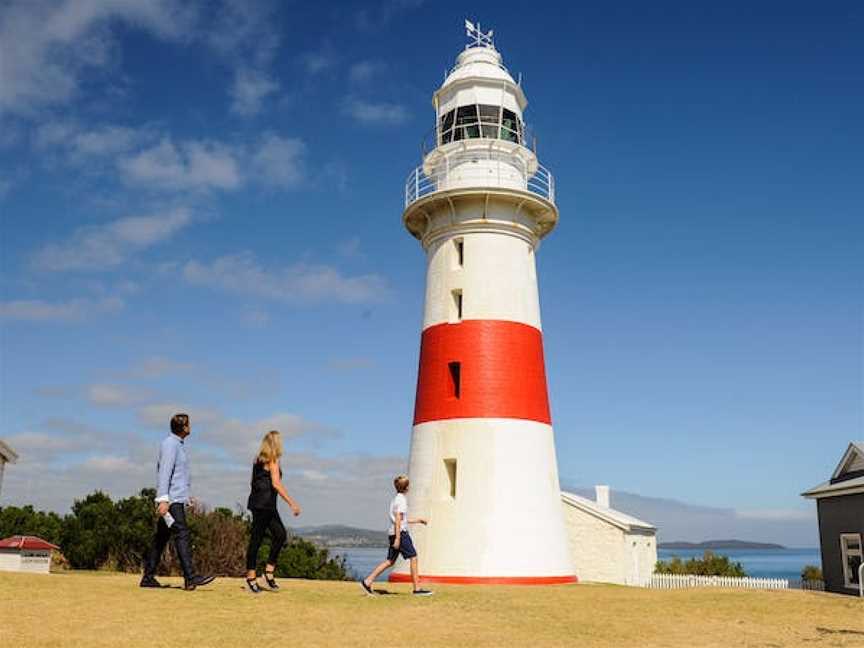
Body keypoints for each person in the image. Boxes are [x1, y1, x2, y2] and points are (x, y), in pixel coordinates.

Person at [140, 413, 215, 591]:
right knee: (182, 535)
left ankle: (148, 577)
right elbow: (164, 472)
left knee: (160, 539)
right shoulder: (170, 445)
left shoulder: (178, 445)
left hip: (177, 498)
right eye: (188, 424)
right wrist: (163, 499)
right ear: (182, 427)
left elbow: (178, 476)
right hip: (171, 501)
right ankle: (190, 577)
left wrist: (186, 497)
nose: (190, 427)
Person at [244, 430, 302, 594]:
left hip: (262, 504)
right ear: (276, 444)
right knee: (256, 540)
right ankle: (251, 578)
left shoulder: (257, 460)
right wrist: (292, 503)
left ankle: (268, 573)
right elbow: (276, 484)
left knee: (280, 535)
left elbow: (252, 482)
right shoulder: (273, 460)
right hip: (264, 505)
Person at [360, 474, 432, 596]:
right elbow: (398, 519)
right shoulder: (402, 500)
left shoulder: (395, 499)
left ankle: (368, 581)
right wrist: (398, 538)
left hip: (394, 532)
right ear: (406, 487)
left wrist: (418, 520)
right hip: (401, 534)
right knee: (413, 557)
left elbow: (400, 519)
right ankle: (417, 588)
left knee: (390, 561)